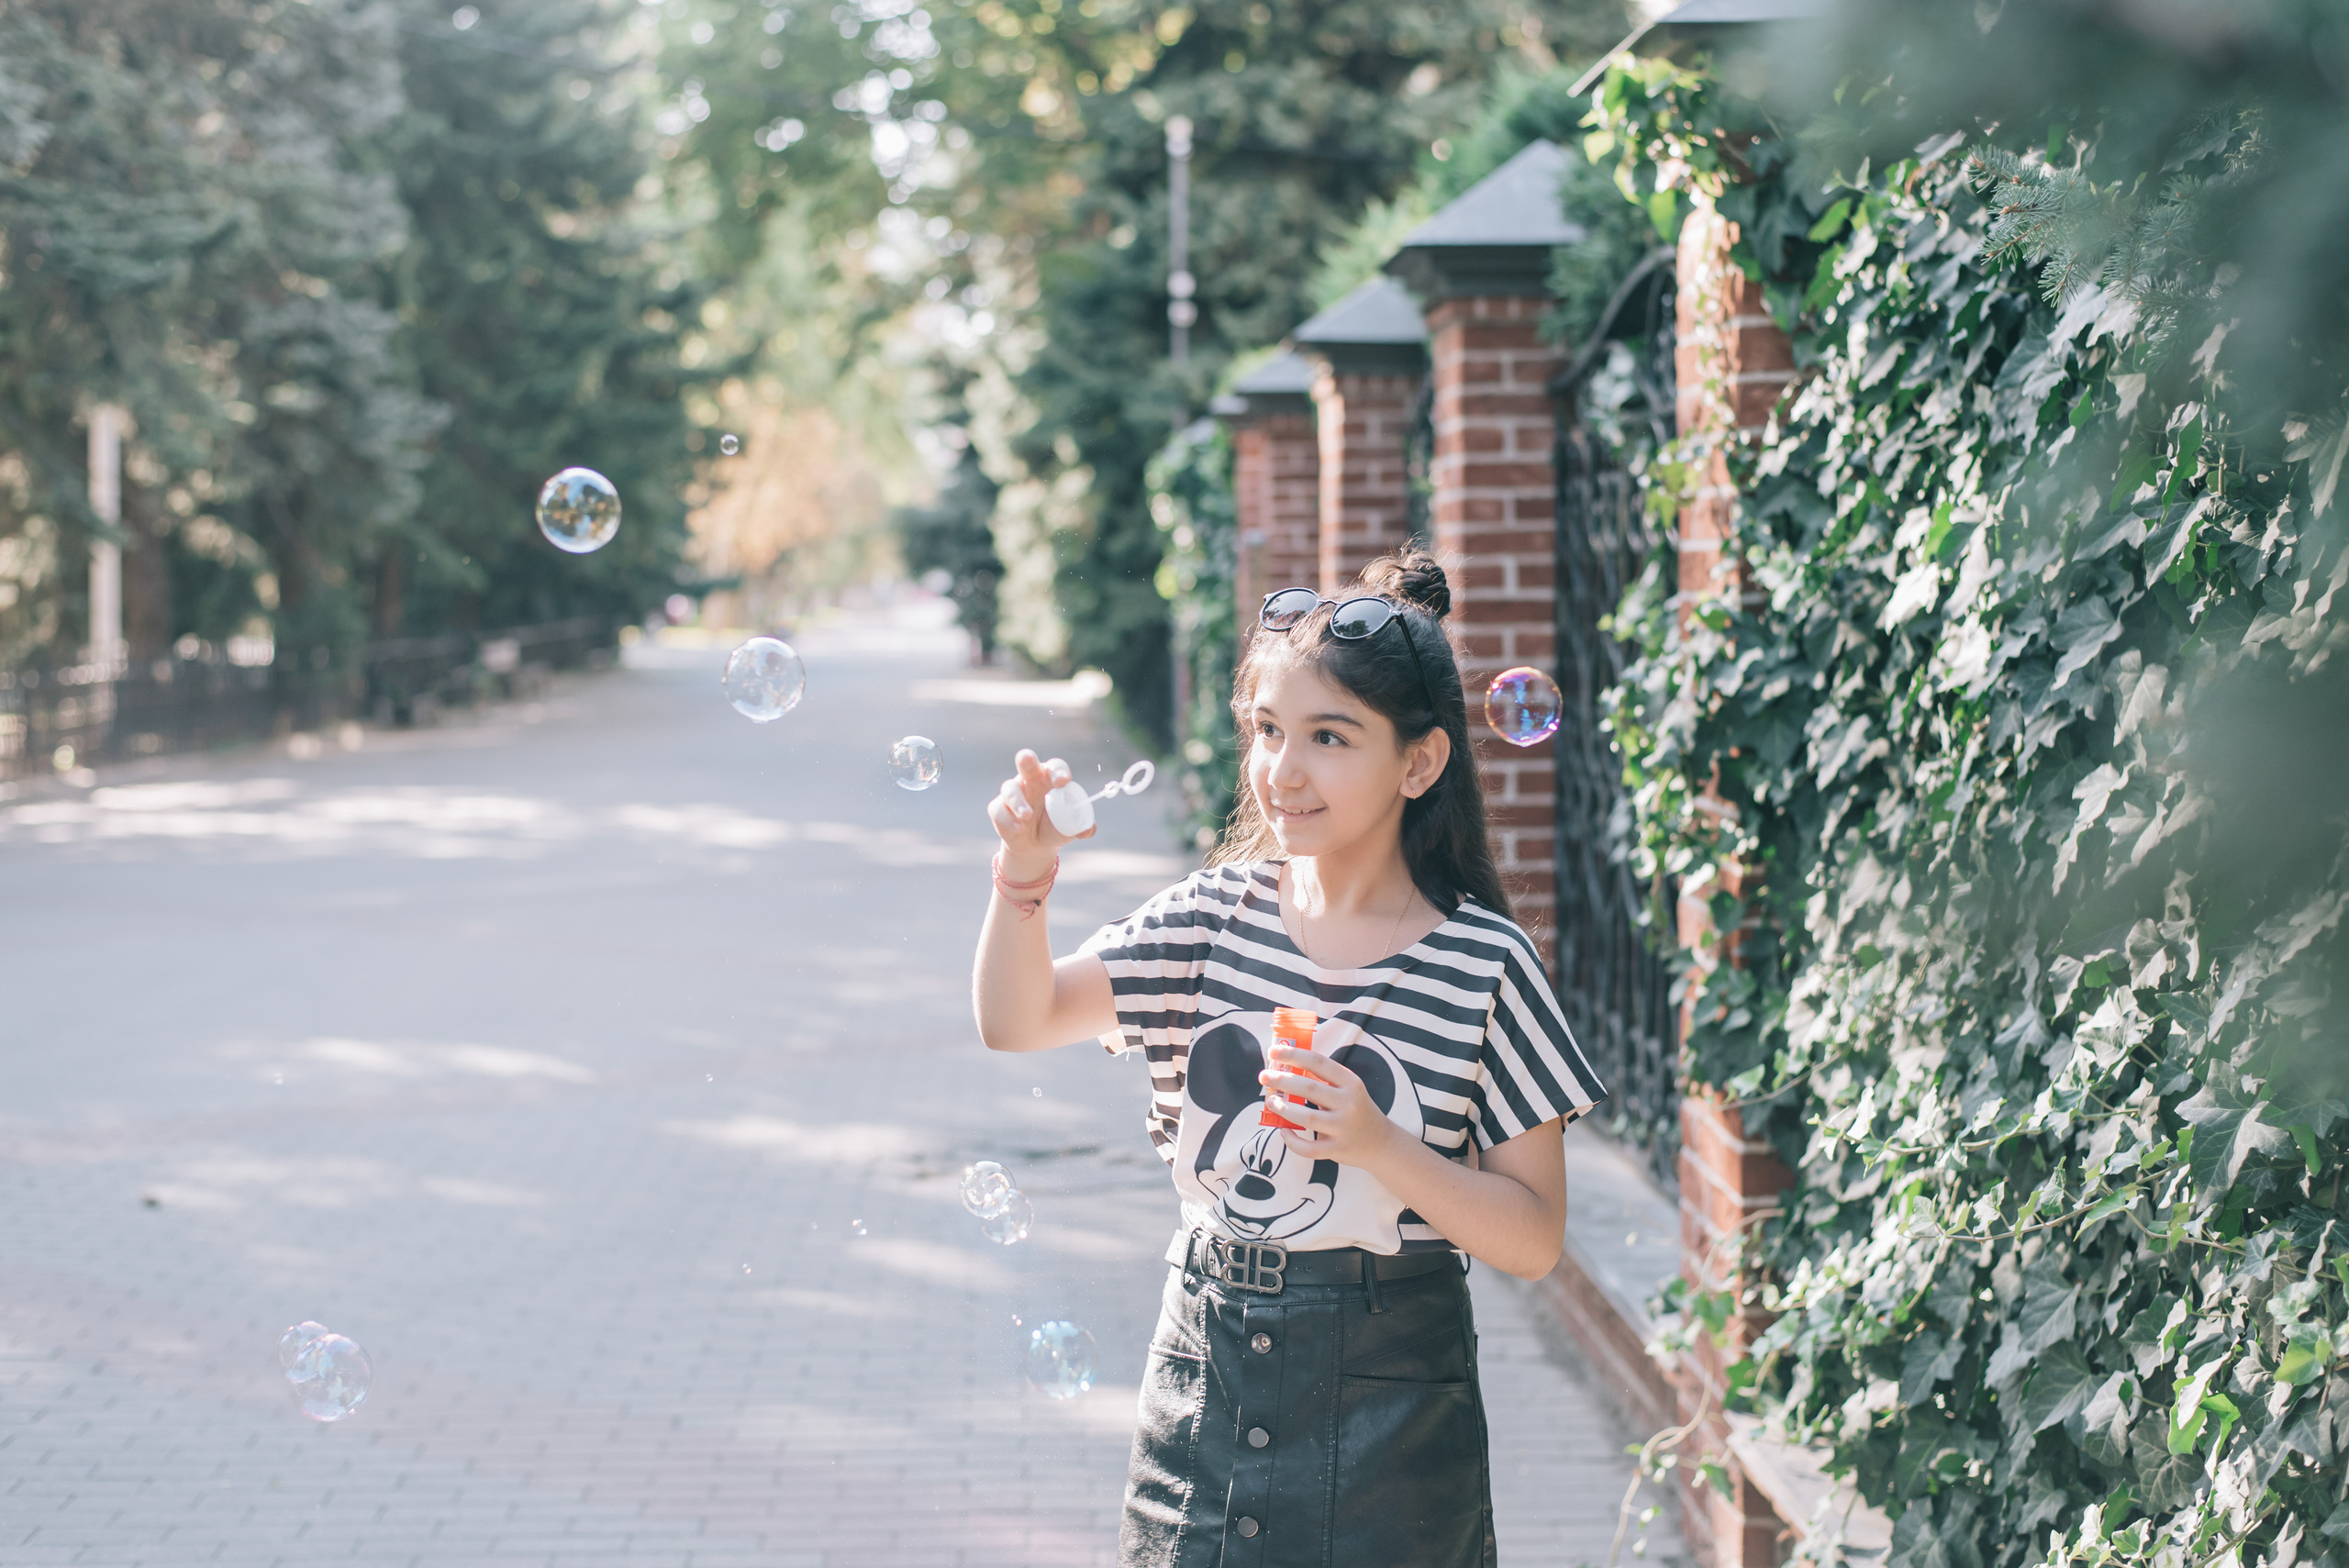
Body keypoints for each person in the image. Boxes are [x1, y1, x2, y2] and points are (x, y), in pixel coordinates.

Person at [972, 549, 1606, 1568]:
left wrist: (1378, 1143)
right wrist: (1022, 880)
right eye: (1267, 730)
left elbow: (1531, 1237)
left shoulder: (1484, 963)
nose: (1283, 769)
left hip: (1393, 1391)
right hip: (1206, 1368)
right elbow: (1020, 1015)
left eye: (1328, 736)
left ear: (1420, 762)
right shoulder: (1209, 920)